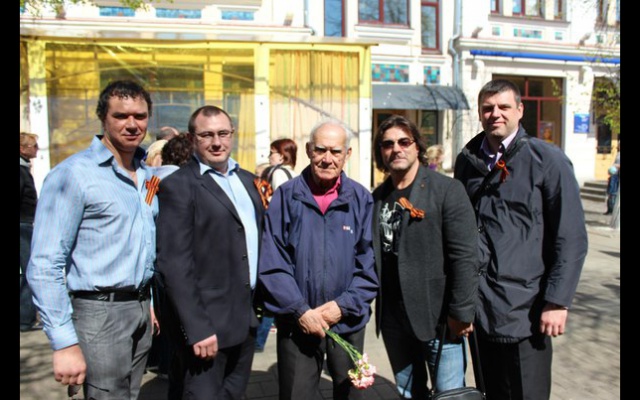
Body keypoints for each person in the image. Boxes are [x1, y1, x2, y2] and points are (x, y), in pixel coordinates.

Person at [453, 78, 588, 400]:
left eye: (503, 107)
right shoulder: (467, 161)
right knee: (492, 392)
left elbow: (571, 236)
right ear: (479, 113)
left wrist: (557, 301)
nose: (495, 114)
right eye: (488, 108)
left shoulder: (547, 160)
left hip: (528, 310)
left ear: (520, 110)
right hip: (480, 309)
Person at [26, 79, 157, 399]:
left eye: (139, 116)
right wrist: (64, 342)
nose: (132, 124)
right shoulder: (73, 174)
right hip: (99, 313)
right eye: (121, 116)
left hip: (140, 308)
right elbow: (45, 263)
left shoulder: (147, 175)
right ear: (103, 118)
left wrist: (149, 303)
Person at [258, 118, 379, 400]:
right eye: (320, 149)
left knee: (350, 395)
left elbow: (369, 265)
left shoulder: (361, 199)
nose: (327, 158)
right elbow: (272, 262)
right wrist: (300, 310)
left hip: (347, 321)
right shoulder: (286, 196)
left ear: (347, 154)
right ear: (309, 150)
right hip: (297, 323)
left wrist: (342, 306)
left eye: (335, 151)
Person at [156, 105, 264, 399]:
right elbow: (174, 264)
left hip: (244, 320)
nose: (217, 142)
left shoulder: (247, 181)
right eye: (207, 135)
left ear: (232, 135)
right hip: (207, 328)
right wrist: (197, 328)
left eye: (223, 133)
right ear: (192, 139)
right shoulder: (178, 186)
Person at [371, 115, 479, 399]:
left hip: (438, 319)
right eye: (388, 144)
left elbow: (465, 256)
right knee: (409, 393)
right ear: (381, 152)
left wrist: (461, 312)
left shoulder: (446, 190)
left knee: (450, 394)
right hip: (394, 320)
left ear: (417, 146)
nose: (396, 149)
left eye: (404, 141)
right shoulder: (378, 196)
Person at [254, 138, 299, 352]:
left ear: (281, 155)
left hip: (276, 235)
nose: (269, 156)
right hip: (291, 235)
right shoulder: (294, 174)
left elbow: (278, 205)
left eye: (272, 152)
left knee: (271, 287)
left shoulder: (278, 173)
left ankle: (259, 339)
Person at [20, 132, 42, 332]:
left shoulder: (24, 168)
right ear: (22, 148)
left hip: (26, 224)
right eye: (34, 146)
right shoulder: (21, 171)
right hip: (23, 225)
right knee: (29, 271)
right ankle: (25, 319)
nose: (37, 149)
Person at [604, 139, 620, 215]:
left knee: (613, 192)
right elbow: (615, 163)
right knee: (610, 192)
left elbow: (617, 164)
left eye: (619, 145)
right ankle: (609, 209)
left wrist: (616, 166)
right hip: (614, 174)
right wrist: (611, 169)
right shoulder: (618, 154)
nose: (618, 146)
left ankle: (612, 209)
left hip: (617, 176)